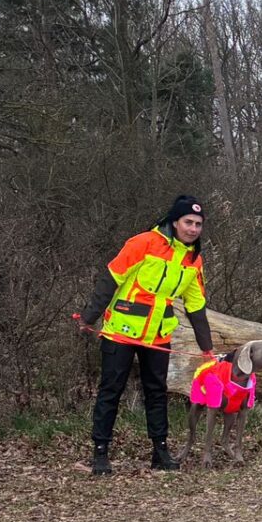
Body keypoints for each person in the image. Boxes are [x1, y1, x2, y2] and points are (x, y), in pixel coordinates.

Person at [80, 195, 216, 475]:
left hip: (157, 335)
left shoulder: (193, 259)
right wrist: (88, 317)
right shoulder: (143, 243)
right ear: (174, 221)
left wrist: (207, 348)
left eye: (198, 224)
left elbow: (196, 305)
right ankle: (101, 453)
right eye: (188, 222)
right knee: (111, 391)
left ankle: (160, 451)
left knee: (157, 392)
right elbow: (111, 278)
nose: (193, 229)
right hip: (122, 331)